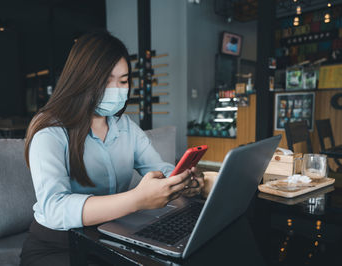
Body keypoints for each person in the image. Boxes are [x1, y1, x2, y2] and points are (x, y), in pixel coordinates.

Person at [19, 30, 204, 266]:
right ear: (81, 79)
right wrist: (136, 199)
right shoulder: (50, 130)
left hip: (109, 236)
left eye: (123, 81)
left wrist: (179, 181)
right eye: (106, 80)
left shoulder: (125, 126)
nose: (116, 89)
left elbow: (160, 167)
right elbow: (55, 208)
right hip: (57, 245)